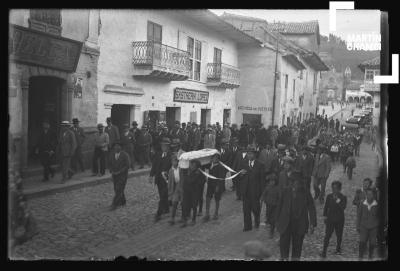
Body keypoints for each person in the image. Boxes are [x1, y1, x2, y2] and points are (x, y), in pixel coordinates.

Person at [276, 172, 317, 261]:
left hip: (300, 223)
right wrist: (277, 221)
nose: (296, 185)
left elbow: (311, 207)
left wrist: (313, 223)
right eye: (293, 182)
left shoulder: (305, 192)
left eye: (298, 183)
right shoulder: (285, 191)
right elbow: (279, 206)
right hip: (286, 222)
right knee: (284, 243)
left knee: (297, 246)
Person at [239, 145, 265, 231]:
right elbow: (240, 177)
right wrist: (241, 174)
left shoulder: (260, 165)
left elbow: (262, 180)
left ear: (255, 155)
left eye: (251, 154)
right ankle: (247, 226)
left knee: (255, 209)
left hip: (255, 191)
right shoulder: (244, 163)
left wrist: (262, 193)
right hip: (246, 191)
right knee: (246, 210)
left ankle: (257, 220)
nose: (249, 156)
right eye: (248, 154)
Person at [320, 181, 347, 258]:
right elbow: (326, 207)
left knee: (339, 235)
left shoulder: (343, 197)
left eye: (336, 188)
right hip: (330, 219)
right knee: (327, 235)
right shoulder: (329, 196)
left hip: (339, 220)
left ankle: (338, 248)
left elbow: (343, 207)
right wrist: (325, 216)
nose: (334, 190)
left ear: (339, 189)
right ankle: (324, 251)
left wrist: (337, 200)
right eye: (333, 188)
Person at [149, 138, 172, 222]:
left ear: (168, 146)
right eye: (162, 145)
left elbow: (173, 168)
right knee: (162, 195)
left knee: (163, 196)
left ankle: (159, 213)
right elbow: (154, 165)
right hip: (158, 179)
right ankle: (166, 209)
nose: (163, 147)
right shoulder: (158, 154)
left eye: (165, 145)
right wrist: (151, 175)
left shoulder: (171, 156)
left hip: (167, 180)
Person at [357, 188, 379, 260]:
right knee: (362, 241)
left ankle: (370, 255)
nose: (369, 196)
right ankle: (360, 256)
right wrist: (358, 226)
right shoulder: (363, 203)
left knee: (372, 242)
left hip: (374, 227)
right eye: (368, 194)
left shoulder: (377, 204)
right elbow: (359, 215)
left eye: (371, 194)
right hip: (364, 226)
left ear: (374, 195)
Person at [203, 153, 225, 222]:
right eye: (213, 158)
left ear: (218, 159)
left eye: (215, 158)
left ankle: (216, 213)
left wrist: (218, 186)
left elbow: (221, 177)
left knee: (217, 199)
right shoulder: (210, 165)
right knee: (208, 198)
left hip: (217, 185)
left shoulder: (220, 166)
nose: (213, 159)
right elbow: (203, 165)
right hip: (210, 185)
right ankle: (207, 214)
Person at [109, 140, 130, 211]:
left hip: (122, 175)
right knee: (117, 189)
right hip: (114, 175)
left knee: (118, 189)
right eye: (115, 146)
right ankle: (123, 201)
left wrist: (119, 172)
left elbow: (127, 165)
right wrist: (111, 171)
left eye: (118, 146)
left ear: (121, 147)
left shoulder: (125, 155)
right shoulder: (112, 154)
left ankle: (114, 204)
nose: (116, 147)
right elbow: (109, 164)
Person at [181, 160, 203, 227]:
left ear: (196, 166)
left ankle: (193, 220)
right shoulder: (187, 171)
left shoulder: (198, 173)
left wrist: (190, 176)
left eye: (193, 165)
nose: (191, 166)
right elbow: (184, 181)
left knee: (194, 206)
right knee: (185, 206)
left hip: (194, 192)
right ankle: (185, 221)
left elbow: (192, 181)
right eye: (191, 165)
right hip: (186, 191)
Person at [261, 173, 279, 238]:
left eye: (273, 181)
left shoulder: (277, 188)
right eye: (271, 181)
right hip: (268, 205)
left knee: (273, 219)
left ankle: (272, 230)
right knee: (268, 215)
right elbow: (264, 194)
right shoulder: (267, 188)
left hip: (275, 206)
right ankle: (270, 223)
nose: (272, 182)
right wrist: (263, 199)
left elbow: (279, 197)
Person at [168, 154, 184, 225]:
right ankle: (172, 218)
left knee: (183, 203)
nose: (174, 163)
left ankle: (183, 217)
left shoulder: (181, 168)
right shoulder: (171, 170)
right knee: (174, 203)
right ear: (171, 162)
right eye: (173, 161)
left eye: (176, 161)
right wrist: (170, 191)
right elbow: (170, 181)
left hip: (182, 186)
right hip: (175, 188)